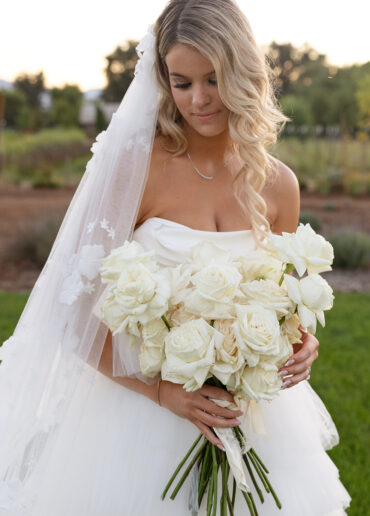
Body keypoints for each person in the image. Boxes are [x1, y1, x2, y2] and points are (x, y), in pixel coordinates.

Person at [0, 1, 351, 514]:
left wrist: (300, 341)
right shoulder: (136, 168)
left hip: (252, 418)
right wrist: (161, 392)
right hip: (139, 421)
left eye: (214, 78)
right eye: (182, 82)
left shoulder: (278, 184)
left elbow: (281, 299)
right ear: (163, 81)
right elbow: (70, 309)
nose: (200, 99)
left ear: (242, 72)